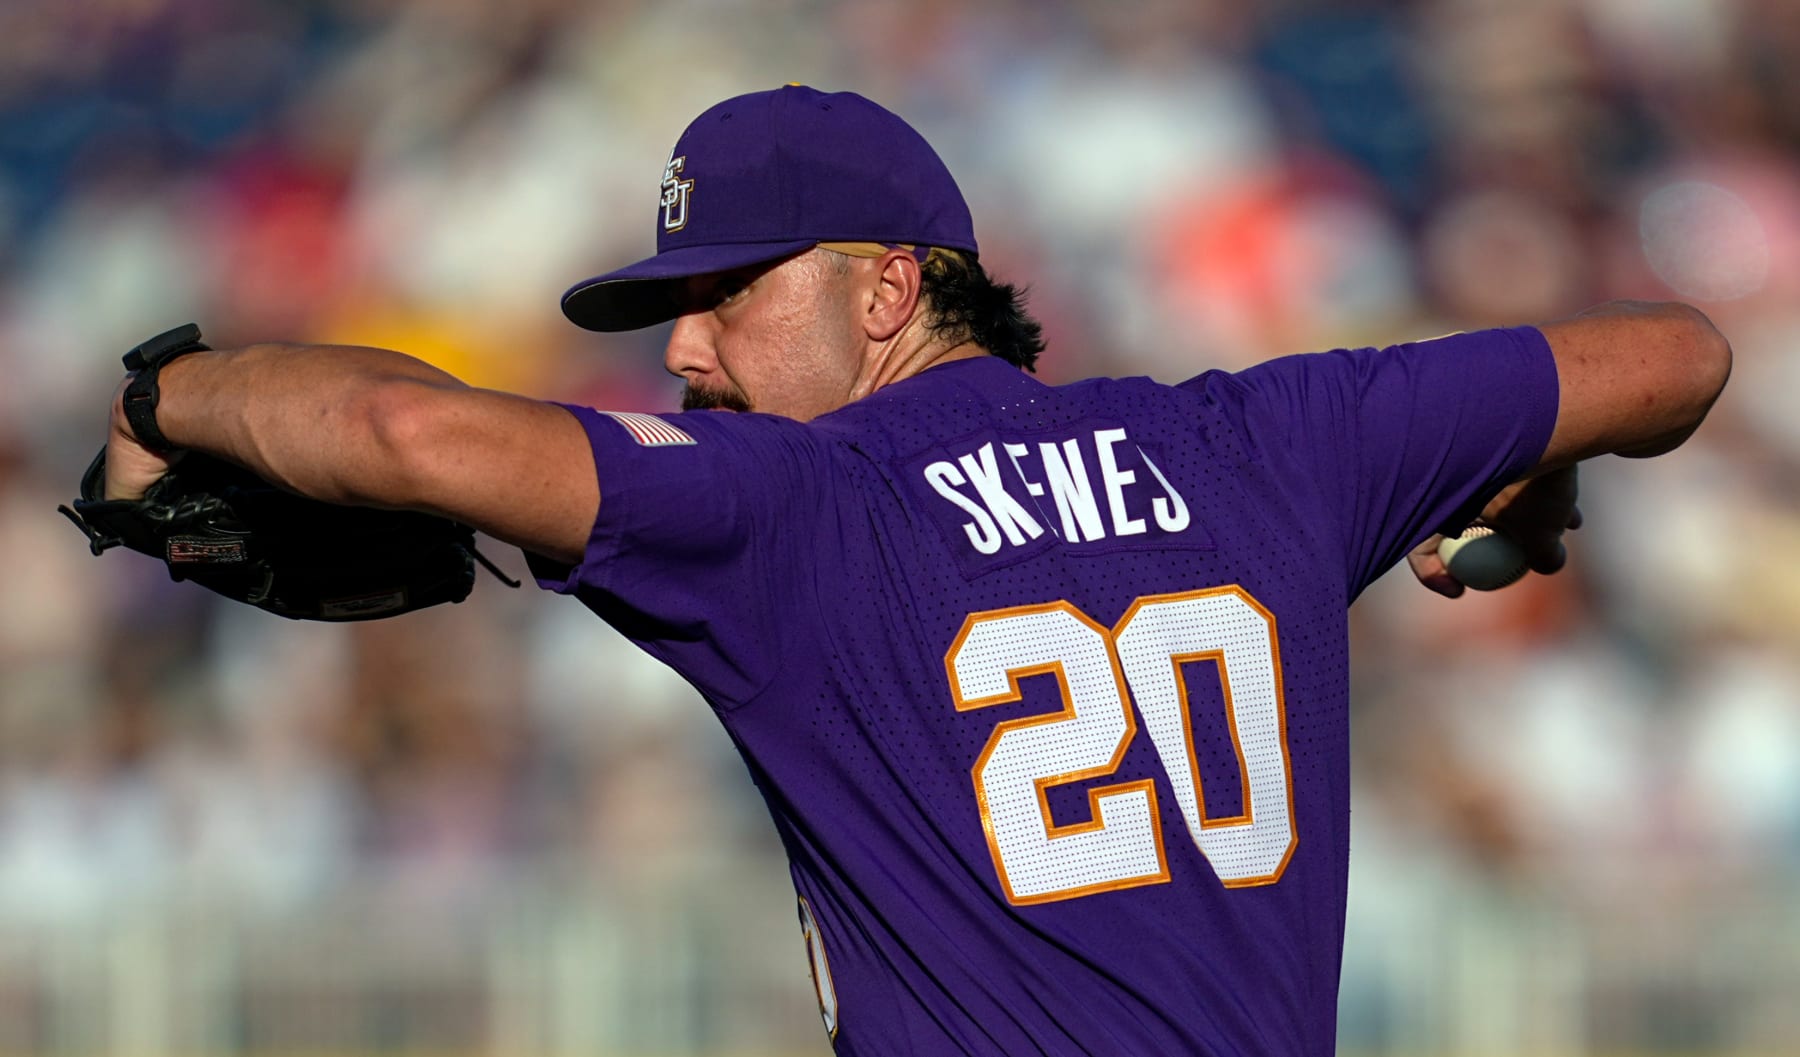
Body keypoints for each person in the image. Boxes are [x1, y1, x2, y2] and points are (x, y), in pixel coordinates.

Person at [102, 85, 1729, 1055]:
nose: (685, 347)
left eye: (727, 291)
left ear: (891, 288)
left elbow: (403, 433)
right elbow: (1678, 350)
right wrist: (1541, 463)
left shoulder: (794, 509)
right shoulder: (1272, 439)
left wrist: (158, 396)